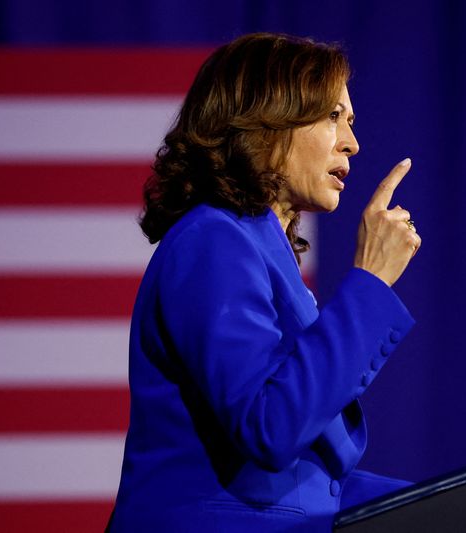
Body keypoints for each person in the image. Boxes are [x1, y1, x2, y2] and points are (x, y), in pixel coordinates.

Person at [108, 32, 422, 532]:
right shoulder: (212, 240)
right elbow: (271, 426)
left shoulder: (257, 251)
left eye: (351, 121)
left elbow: (314, 482)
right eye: (332, 116)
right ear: (268, 121)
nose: (353, 142)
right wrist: (369, 281)